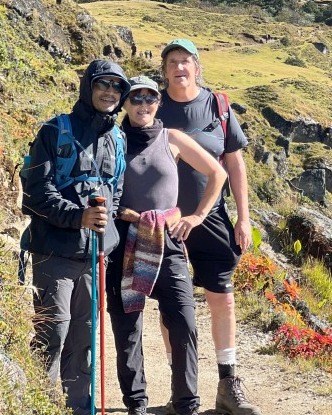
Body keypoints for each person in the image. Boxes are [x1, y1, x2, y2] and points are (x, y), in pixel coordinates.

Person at [107, 75, 228, 415]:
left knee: (183, 320)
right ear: (124, 103)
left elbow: (217, 174)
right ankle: (136, 403)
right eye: (135, 98)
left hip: (168, 238)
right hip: (124, 238)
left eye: (149, 98)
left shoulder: (171, 138)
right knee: (127, 325)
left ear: (158, 103)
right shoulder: (113, 140)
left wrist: (197, 216)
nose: (143, 105)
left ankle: (186, 403)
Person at [21, 59, 131, 415]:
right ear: (88, 87)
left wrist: (105, 229)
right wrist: (78, 216)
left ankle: (79, 408)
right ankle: (40, 405)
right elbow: (35, 193)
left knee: (84, 337)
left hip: (95, 256)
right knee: (53, 332)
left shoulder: (117, 139)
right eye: (103, 84)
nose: (110, 92)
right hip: (54, 252)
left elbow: (116, 191)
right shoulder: (55, 130)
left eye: (117, 87)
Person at [158, 39, 261, 415]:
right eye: (172, 62)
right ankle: (180, 387)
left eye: (185, 61)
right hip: (165, 220)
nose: (179, 68)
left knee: (223, 299)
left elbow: (235, 165)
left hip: (212, 216)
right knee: (171, 305)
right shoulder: (152, 106)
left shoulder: (218, 106)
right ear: (164, 71)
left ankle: (228, 384)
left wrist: (243, 218)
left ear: (197, 67)